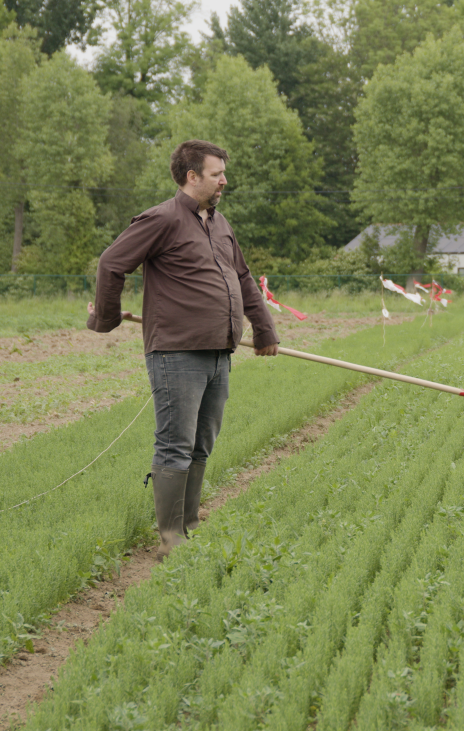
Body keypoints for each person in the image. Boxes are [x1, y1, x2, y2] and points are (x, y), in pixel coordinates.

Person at [86, 140, 280, 553]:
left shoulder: (220, 223)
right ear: (192, 177)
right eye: (216, 174)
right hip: (177, 354)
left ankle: (188, 524)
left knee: (201, 444)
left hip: (219, 353)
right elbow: (112, 263)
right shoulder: (162, 219)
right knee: (175, 444)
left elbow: (244, 278)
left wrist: (264, 330)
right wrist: (105, 319)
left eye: (223, 173)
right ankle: (171, 538)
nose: (224, 180)